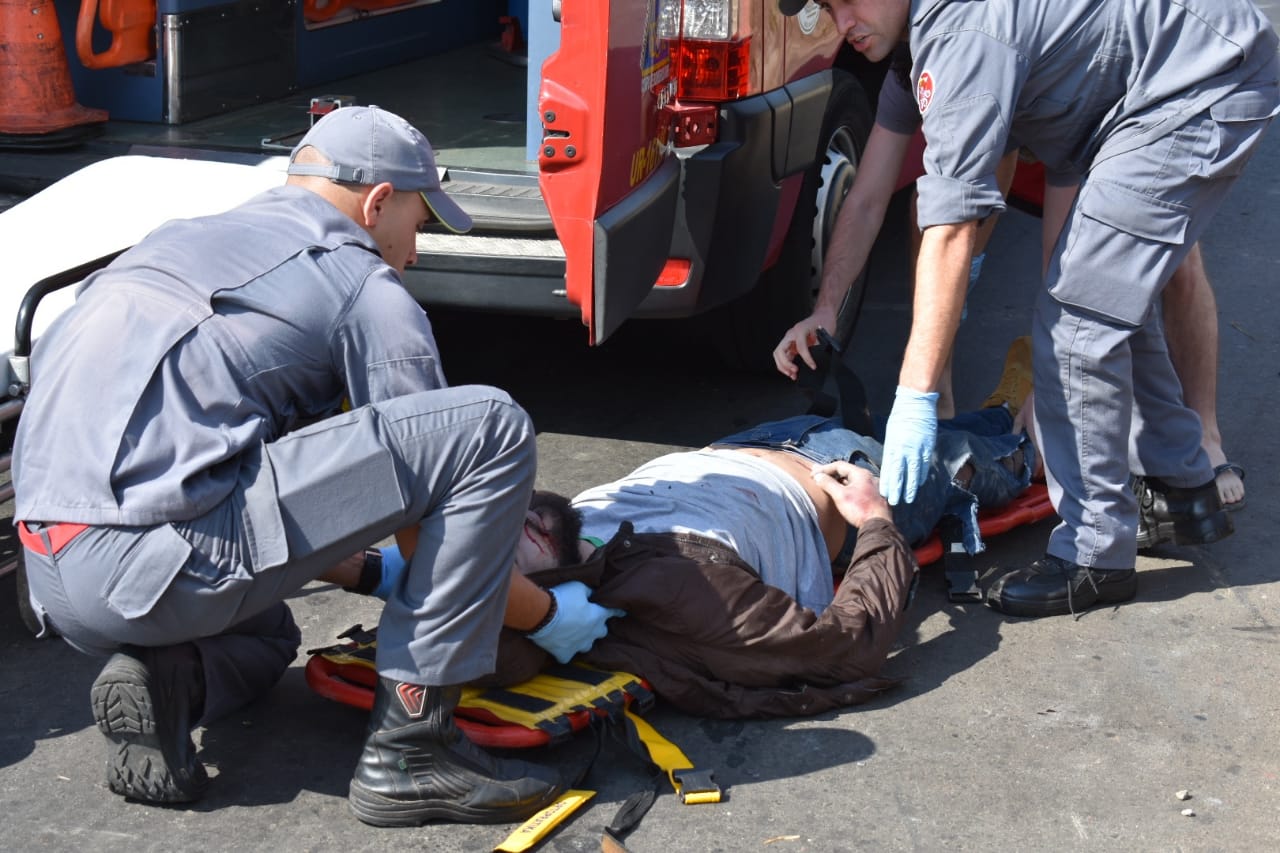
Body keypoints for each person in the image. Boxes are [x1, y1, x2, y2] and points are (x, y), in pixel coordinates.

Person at [11, 106, 620, 826]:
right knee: (485, 426)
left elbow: (212, 467)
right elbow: (429, 503)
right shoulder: (361, 285)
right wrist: (547, 613)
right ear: (377, 203)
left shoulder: (181, 240)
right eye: (419, 225)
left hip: (50, 578)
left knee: (270, 635)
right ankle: (413, 752)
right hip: (151, 565)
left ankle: (170, 676)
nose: (415, 251)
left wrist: (375, 572)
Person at [780, 0, 1278, 618]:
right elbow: (869, 196)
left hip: (1197, 79)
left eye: (843, 1)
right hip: (1144, 92)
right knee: (1097, 298)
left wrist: (916, 396)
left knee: (1076, 320)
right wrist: (826, 309)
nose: (840, 25)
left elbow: (954, 228)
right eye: (825, 10)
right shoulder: (913, 51)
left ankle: (1096, 555)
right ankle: (1180, 491)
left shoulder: (960, 34)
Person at [356, 362, 1039, 717]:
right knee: (998, 456)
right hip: (837, 474)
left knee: (948, 425)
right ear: (532, 612)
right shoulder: (686, 597)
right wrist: (875, 522)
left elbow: (412, 554)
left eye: (495, 530)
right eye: (514, 561)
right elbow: (845, 647)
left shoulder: (558, 534)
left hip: (748, 443)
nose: (515, 526)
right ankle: (1023, 424)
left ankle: (990, 412)